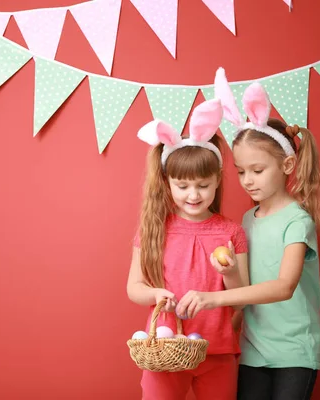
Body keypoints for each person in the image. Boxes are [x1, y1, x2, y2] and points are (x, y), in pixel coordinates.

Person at [177, 68, 320, 400]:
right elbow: (243, 287)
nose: (247, 180)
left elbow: (284, 286)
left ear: (287, 166)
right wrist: (224, 326)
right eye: (241, 171)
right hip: (253, 348)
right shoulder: (246, 219)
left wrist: (211, 298)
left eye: (257, 171)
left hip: (294, 349)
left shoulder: (296, 221)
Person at [127, 98, 249, 400]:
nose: (193, 195)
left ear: (217, 181)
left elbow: (242, 298)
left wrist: (231, 272)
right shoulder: (155, 229)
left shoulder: (231, 232)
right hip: (165, 349)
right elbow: (134, 287)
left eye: (203, 185)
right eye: (182, 186)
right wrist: (156, 294)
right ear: (167, 182)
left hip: (217, 351)